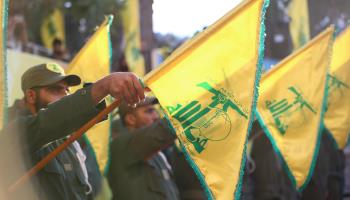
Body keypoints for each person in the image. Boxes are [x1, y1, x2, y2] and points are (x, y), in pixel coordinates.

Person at [0, 63, 145, 199]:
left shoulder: (68, 138)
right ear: (31, 96)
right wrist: (104, 86)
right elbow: (48, 121)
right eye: (55, 90)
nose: (65, 96)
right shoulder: (13, 130)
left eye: (67, 91)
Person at [107, 97, 180, 200]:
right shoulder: (122, 145)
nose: (156, 116)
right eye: (149, 112)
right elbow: (161, 131)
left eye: (155, 110)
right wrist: (185, 114)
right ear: (131, 119)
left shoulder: (156, 153)